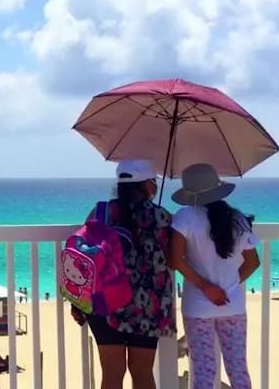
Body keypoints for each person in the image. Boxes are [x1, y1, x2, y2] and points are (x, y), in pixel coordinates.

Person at [70, 160, 175, 389]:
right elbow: (173, 259)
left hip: (105, 301)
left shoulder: (100, 212)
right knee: (142, 372)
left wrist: (77, 301)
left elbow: (83, 257)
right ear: (147, 185)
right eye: (154, 182)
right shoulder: (162, 216)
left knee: (111, 372)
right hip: (147, 304)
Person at [169, 163, 260, 389]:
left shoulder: (185, 217)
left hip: (197, 307)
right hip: (232, 304)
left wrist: (206, 288)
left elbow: (175, 260)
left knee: (203, 372)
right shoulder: (237, 218)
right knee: (238, 370)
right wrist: (229, 286)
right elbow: (253, 262)